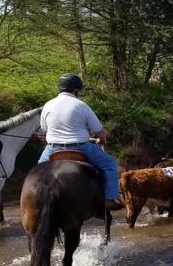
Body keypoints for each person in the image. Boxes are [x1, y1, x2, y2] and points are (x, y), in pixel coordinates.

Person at [37, 74, 123, 211]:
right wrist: (102, 140)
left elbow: (44, 129)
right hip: (81, 148)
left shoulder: (48, 105)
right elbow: (99, 131)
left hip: (53, 149)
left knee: (37, 172)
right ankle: (109, 199)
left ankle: (37, 200)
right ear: (76, 90)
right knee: (110, 165)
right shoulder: (81, 106)